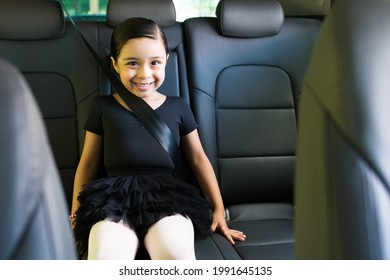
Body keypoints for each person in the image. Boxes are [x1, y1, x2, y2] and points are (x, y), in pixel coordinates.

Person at [70, 17, 246, 260]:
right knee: (103, 259)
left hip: (169, 199)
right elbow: (88, 163)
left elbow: (197, 158)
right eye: (132, 63)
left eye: (155, 63)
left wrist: (218, 208)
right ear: (115, 64)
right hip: (113, 200)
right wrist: (76, 215)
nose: (144, 74)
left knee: (177, 257)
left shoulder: (178, 107)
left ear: (166, 61)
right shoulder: (103, 108)